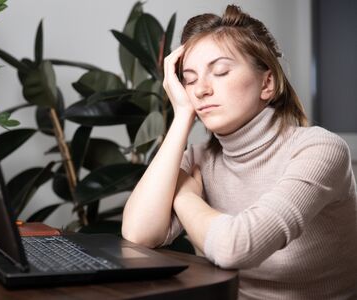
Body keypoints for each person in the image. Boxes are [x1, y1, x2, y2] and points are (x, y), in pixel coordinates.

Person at [121, 4, 357, 299]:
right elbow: (138, 233)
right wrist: (182, 115)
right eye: (190, 79)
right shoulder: (200, 159)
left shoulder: (320, 150)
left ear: (267, 83)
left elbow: (237, 246)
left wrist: (184, 195)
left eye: (219, 71)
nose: (201, 90)